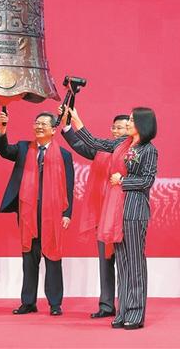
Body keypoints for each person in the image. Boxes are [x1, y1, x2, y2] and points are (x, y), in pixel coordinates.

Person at [69, 106, 158, 330]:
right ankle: (123, 311)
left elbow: (147, 180)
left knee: (135, 264)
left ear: (142, 124)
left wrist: (122, 181)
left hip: (134, 211)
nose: (128, 123)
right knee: (123, 263)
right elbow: (94, 142)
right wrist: (77, 120)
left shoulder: (149, 150)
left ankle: (136, 313)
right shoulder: (121, 144)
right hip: (116, 210)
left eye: (131, 120)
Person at [0, 111, 74, 316]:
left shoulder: (64, 155)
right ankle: (28, 302)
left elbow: (69, 185)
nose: (39, 126)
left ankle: (55, 303)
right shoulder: (24, 148)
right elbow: (4, 150)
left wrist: (67, 213)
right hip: (28, 212)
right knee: (29, 259)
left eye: (43, 124)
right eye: (36, 123)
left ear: (53, 130)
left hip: (52, 213)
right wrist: (2, 129)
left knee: (53, 258)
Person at [60, 109, 129, 318]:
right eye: (114, 127)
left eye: (121, 128)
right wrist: (67, 125)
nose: (116, 131)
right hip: (102, 215)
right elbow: (80, 145)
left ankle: (127, 306)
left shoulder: (135, 152)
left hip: (124, 216)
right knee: (105, 262)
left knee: (125, 264)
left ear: (131, 129)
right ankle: (106, 305)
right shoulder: (103, 150)